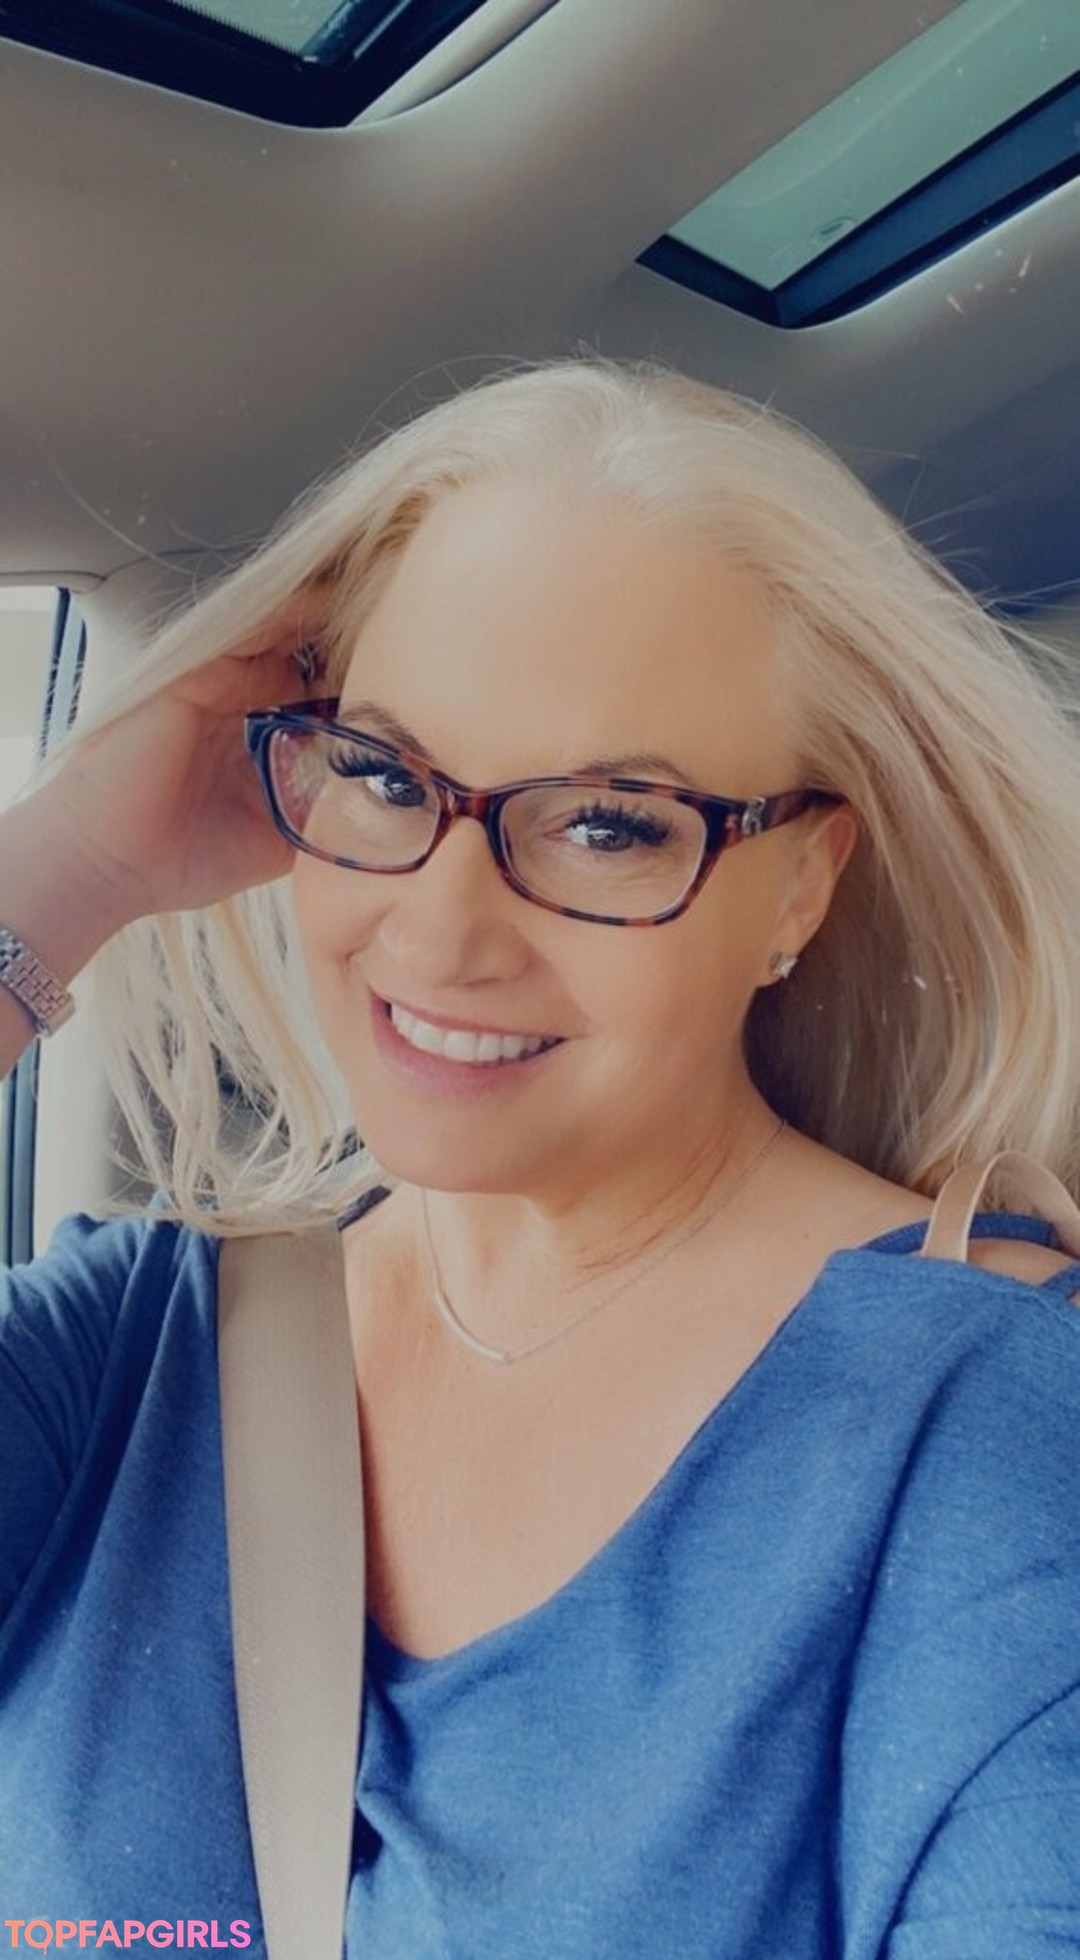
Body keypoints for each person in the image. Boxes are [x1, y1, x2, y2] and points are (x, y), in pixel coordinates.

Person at [1, 357, 1079, 1959]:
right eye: (382, 777)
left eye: (607, 823)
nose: (441, 932)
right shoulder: (129, 1357)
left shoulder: (990, 1431)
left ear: (798, 888)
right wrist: (72, 863)